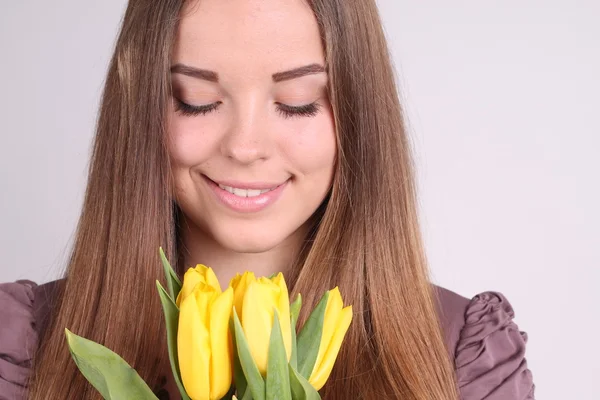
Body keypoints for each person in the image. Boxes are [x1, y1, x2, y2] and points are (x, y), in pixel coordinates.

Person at [0, 0, 535, 399]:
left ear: (359, 114)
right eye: (197, 102)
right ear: (139, 110)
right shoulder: (23, 351)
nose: (245, 147)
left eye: (298, 104)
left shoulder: (464, 358)